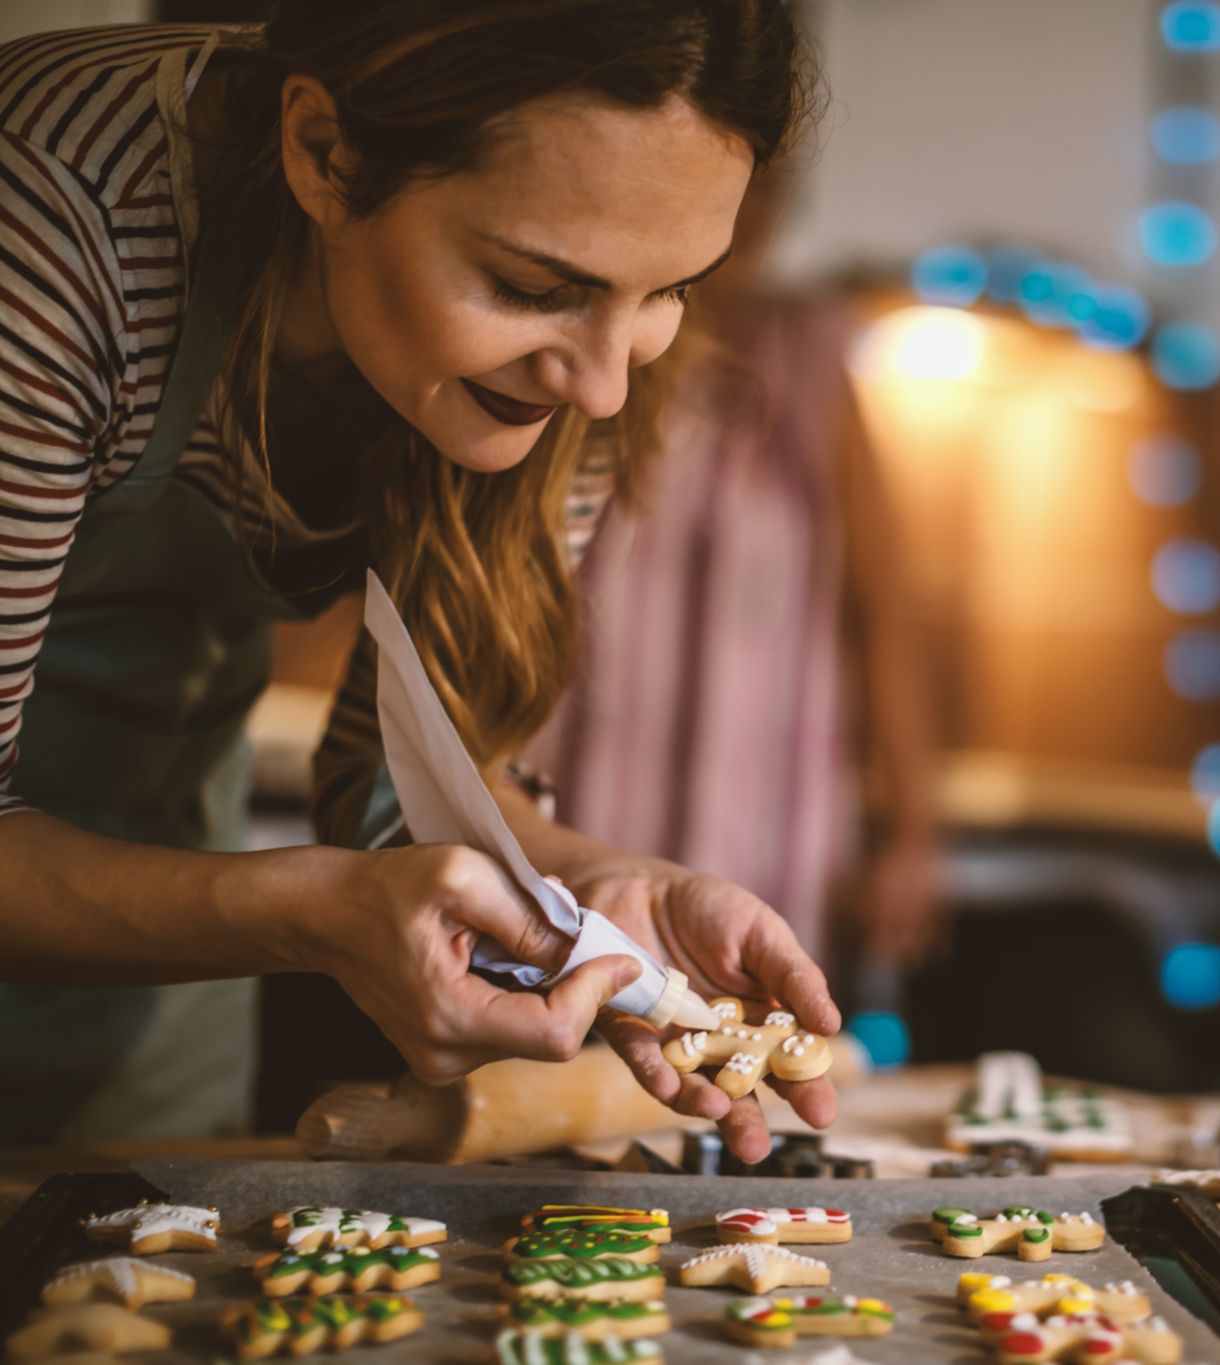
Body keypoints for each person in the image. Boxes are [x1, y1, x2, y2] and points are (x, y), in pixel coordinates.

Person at [0, 2, 835, 1159]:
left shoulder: (582, 350)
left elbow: (408, 792)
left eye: (670, 290)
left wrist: (600, 896)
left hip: (149, 968)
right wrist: (313, 912)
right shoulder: (55, 217)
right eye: (534, 285)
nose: (600, 389)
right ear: (324, 155)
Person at [526, 168, 946, 973]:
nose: (743, 214)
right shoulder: (584, 347)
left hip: (762, 829)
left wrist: (913, 829)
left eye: (766, 185)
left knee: (739, 1061)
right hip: (574, 812)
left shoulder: (814, 360)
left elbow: (886, 612)